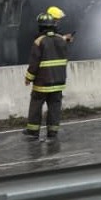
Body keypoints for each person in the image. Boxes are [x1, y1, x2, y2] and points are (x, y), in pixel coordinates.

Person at [24, 10, 71, 140]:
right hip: (59, 82)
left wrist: (29, 78)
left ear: (41, 26)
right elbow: (65, 59)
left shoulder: (39, 41)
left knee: (36, 105)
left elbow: (34, 63)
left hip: (42, 83)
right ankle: (53, 132)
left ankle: (33, 131)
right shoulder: (62, 40)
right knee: (55, 107)